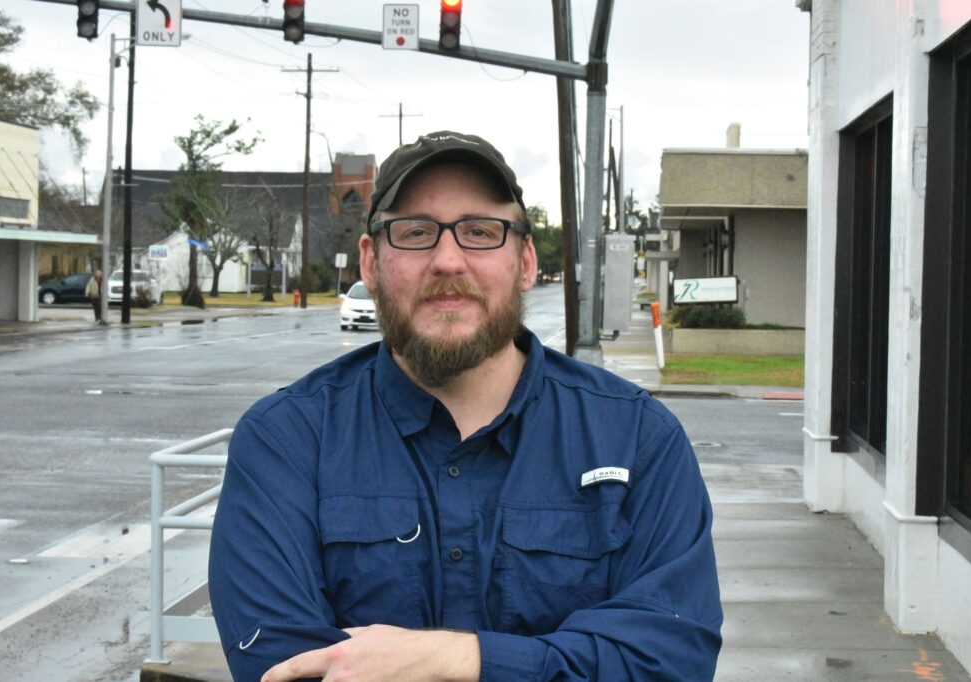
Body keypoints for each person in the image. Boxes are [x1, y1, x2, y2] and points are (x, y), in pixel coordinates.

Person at [208, 131, 723, 682]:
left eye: (480, 231)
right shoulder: (285, 441)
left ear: (525, 261)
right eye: (414, 233)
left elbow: (670, 658)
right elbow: (285, 666)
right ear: (371, 262)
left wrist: (457, 659)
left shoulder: (637, 439)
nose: (448, 260)